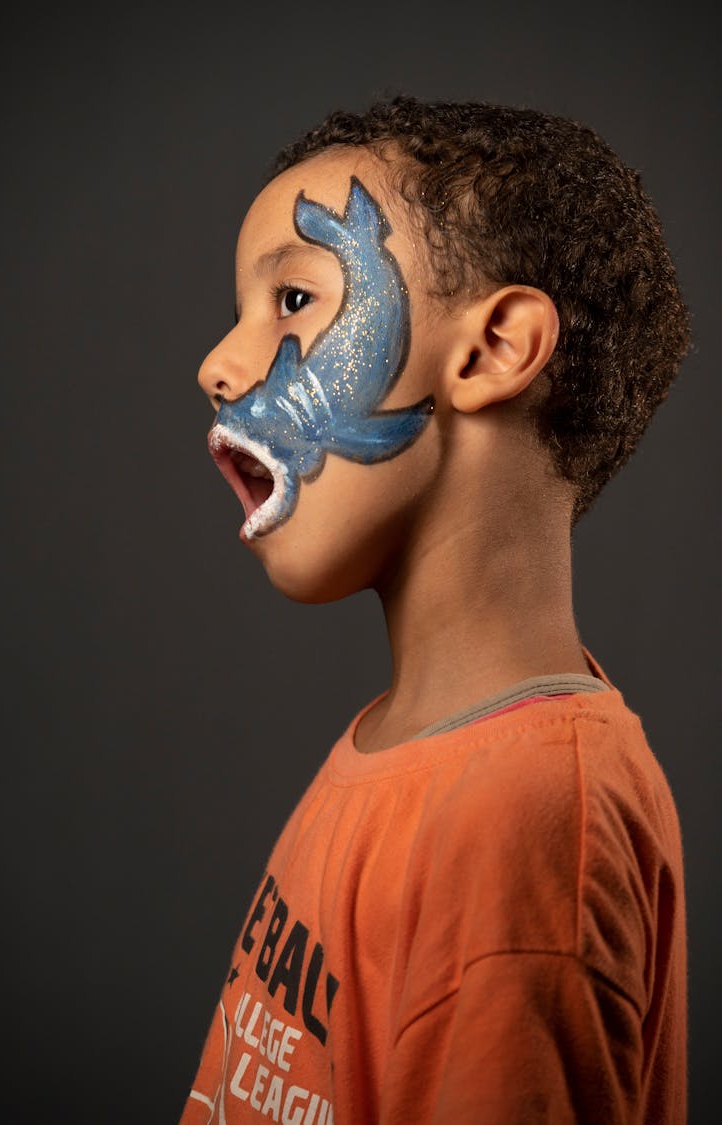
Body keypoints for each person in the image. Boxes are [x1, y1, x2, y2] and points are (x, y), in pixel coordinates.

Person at [181, 96, 689, 1124]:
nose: (217, 365)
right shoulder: (404, 748)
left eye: (289, 300)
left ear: (494, 348)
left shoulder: (523, 830)